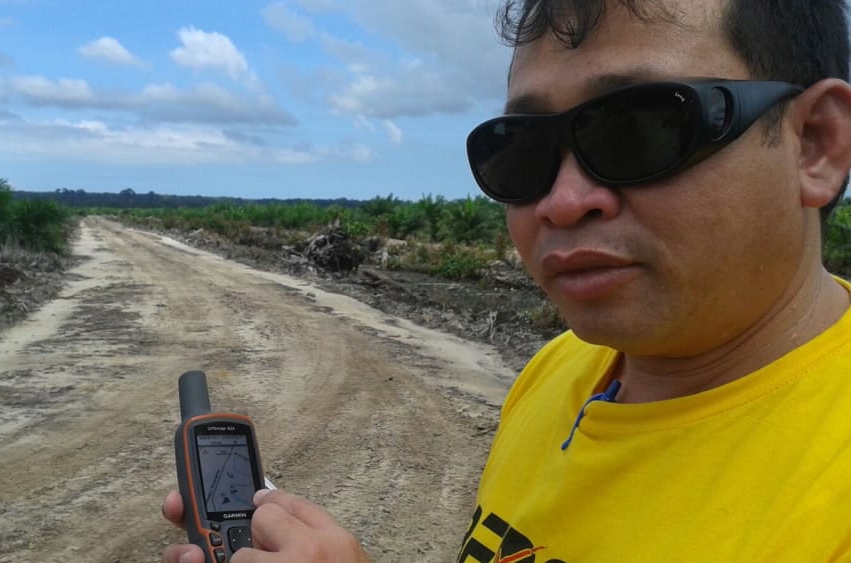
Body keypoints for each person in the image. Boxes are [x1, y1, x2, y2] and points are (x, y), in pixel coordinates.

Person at [163, 0, 851, 560]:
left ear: (815, 143)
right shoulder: (560, 369)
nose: (561, 198)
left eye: (639, 127)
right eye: (519, 149)